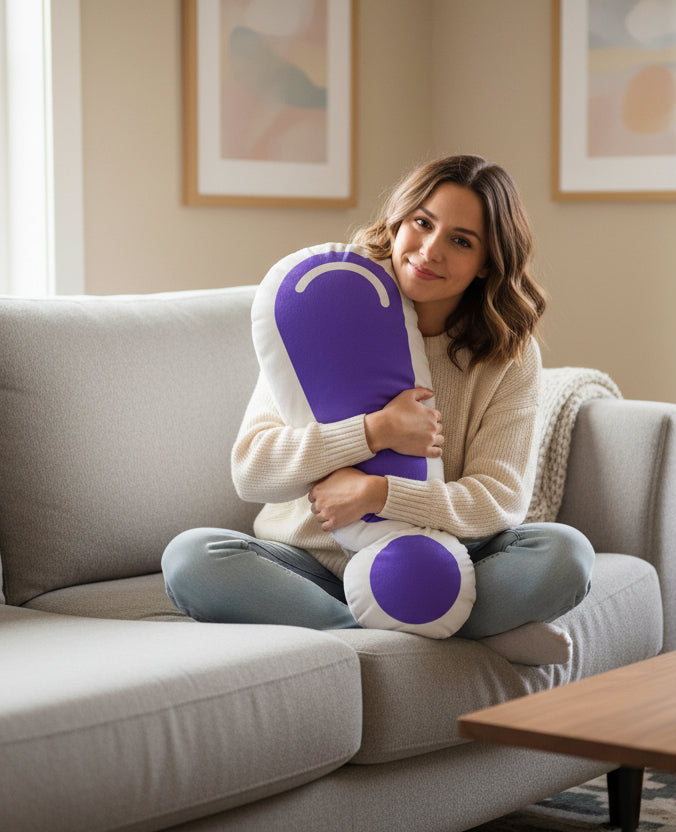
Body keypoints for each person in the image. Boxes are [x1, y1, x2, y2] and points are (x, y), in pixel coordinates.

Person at [162, 154, 594, 665]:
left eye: (461, 241)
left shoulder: (507, 355)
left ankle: (414, 615)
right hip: (312, 567)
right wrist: (373, 432)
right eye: (422, 223)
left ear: (486, 264)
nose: (430, 250)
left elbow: (497, 500)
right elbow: (253, 470)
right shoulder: (329, 308)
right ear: (398, 218)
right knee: (192, 558)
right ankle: (435, 632)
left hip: (446, 559)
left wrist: (379, 493)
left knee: (565, 555)